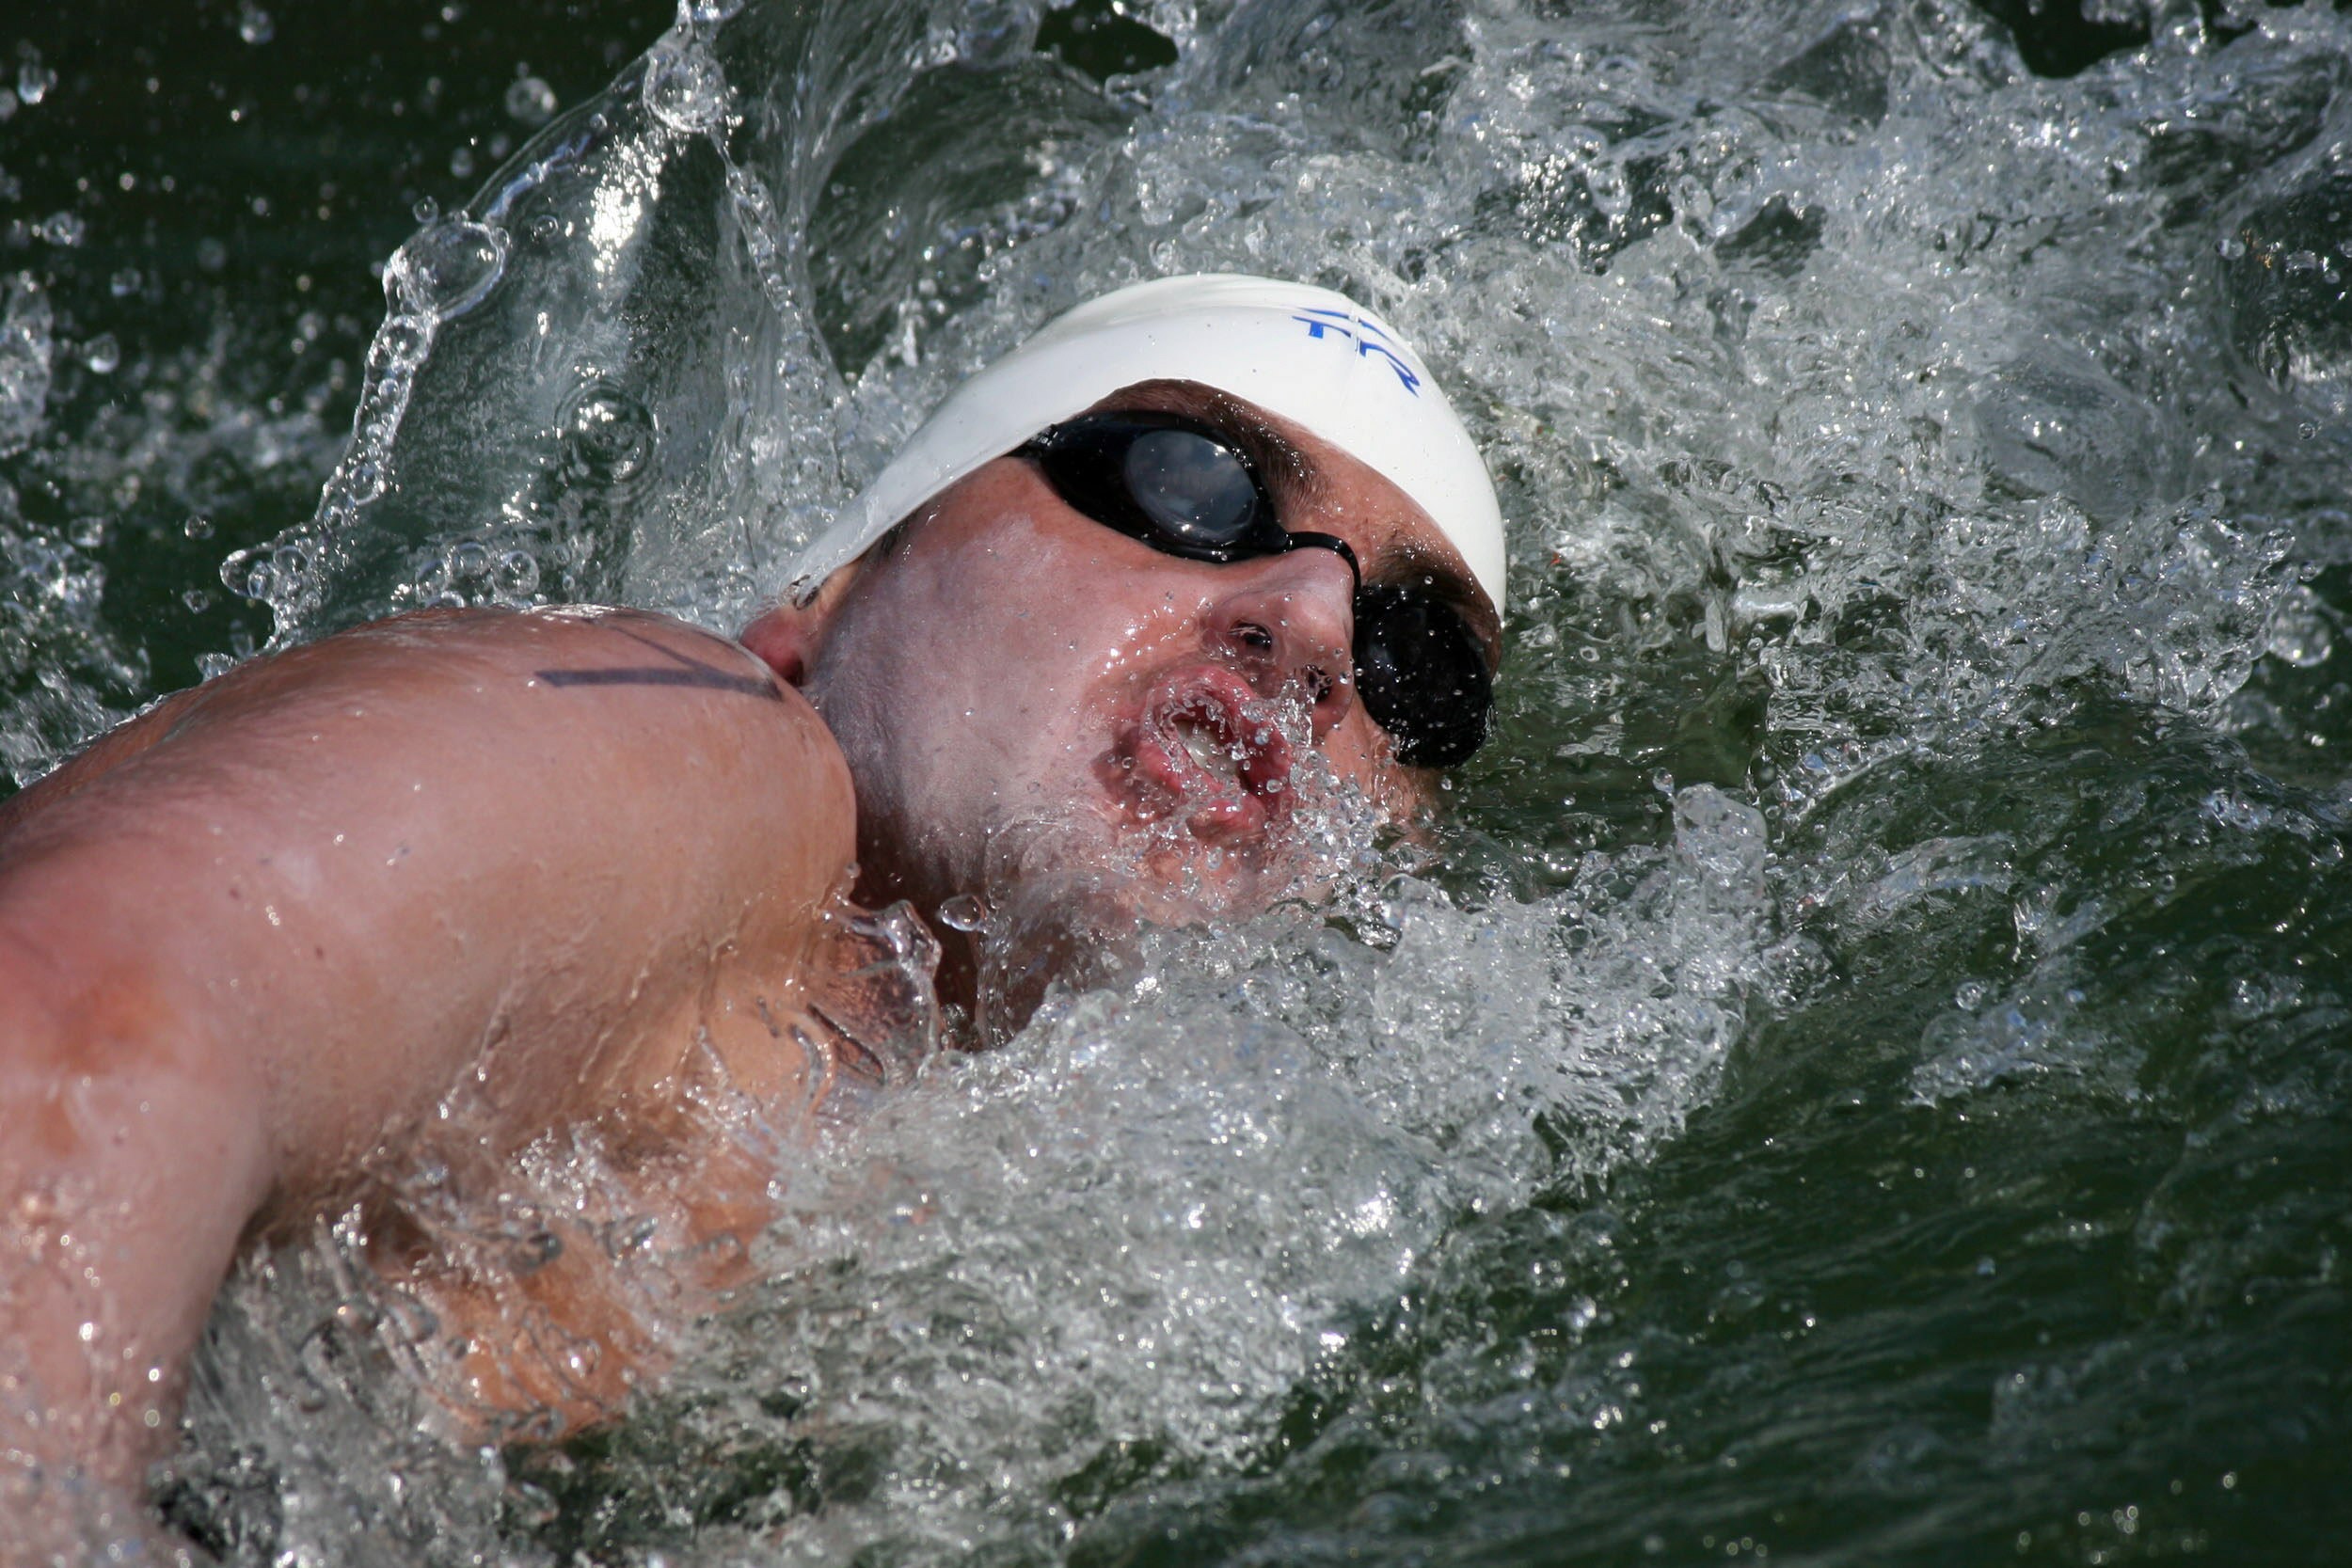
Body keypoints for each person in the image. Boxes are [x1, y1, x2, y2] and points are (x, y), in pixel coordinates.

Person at [0, 275, 1506, 1553]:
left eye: (1418, 657)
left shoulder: (1095, 1208)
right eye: (1193, 486)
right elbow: (80, 1023)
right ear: (828, 596)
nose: (1311, 626)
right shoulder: (696, 745)